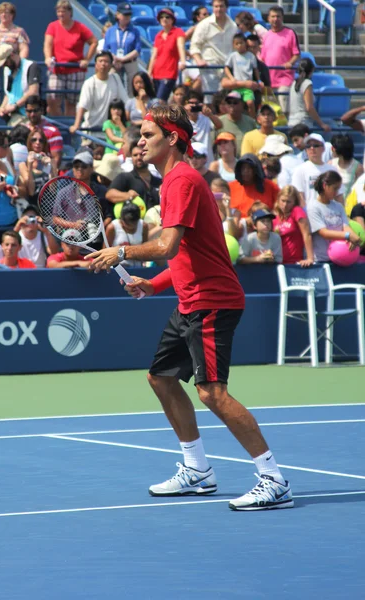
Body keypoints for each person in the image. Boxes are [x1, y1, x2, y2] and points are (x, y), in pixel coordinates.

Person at [85, 104, 293, 510]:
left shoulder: (181, 179)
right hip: (191, 300)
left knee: (212, 393)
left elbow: (167, 246)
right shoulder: (171, 181)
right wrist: (154, 283)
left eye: (147, 135)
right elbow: (187, 255)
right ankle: (197, 470)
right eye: (139, 135)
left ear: (173, 138)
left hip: (213, 302)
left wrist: (122, 251)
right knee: (161, 378)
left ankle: (273, 479)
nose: (139, 142)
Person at [44, 0, 97, 117]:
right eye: (58, 12)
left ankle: (69, 129)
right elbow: (48, 43)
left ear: (70, 12)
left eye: (63, 12)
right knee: (52, 99)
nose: (60, 14)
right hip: (57, 69)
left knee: (71, 103)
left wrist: (87, 59)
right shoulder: (52, 26)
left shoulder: (80, 27)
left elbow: (93, 42)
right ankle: (57, 126)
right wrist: (48, 58)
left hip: (75, 69)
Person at [0, 2, 30, 116]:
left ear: (12, 15)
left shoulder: (19, 31)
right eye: (1, 13)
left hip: (12, 72)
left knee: (11, 99)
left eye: (7, 13)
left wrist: (19, 64)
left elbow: (24, 48)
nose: (4, 15)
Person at [69, 51, 129, 136]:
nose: (103, 64)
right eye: (100, 61)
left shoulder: (116, 78)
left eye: (106, 61)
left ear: (111, 65)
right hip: (93, 132)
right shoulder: (89, 83)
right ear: (96, 64)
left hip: (111, 132)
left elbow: (126, 101)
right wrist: (76, 125)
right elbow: (82, 106)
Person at [190, 0, 238, 103]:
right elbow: (194, 45)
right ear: (212, 8)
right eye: (216, 6)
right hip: (209, 65)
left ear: (226, 7)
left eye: (221, 6)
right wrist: (199, 60)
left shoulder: (233, 26)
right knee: (210, 99)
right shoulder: (204, 24)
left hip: (227, 67)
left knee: (225, 100)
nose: (219, 9)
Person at [307, 171, 361, 263]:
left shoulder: (338, 206)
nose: (337, 193)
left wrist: (353, 238)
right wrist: (348, 236)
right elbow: (324, 233)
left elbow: (345, 226)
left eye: (338, 189)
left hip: (340, 258)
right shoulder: (313, 207)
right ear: (325, 186)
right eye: (334, 189)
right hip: (321, 260)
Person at [260, 5, 300, 115]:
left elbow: (296, 54)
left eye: (278, 16)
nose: (275, 19)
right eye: (273, 16)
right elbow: (262, 58)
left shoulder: (290, 33)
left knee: (283, 107)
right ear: (268, 18)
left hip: (284, 78)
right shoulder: (266, 35)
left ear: (282, 18)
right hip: (269, 79)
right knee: (269, 110)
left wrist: (290, 63)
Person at [291, 133, 344, 208]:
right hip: (309, 214)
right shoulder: (300, 170)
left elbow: (339, 196)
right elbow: (299, 197)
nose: (312, 148)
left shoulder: (332, 169)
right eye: (308, 146)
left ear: (323, 148)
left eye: (316, 145)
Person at [0, 44, 41, 125]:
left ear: (11, 55)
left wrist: (15, 106)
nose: (4, 65)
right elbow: (8, 94)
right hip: (11, 116)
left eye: (5, 62)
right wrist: (2, 107)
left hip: (28, 116)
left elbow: (33, 92)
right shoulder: (7, 70)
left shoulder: (31, 66)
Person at [106, 142, 161, 210]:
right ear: (131, 158)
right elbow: (110, 194)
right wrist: (127, 195)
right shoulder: (125, 177)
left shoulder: (159, 181)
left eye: (141, 154)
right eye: (135, 155)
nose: (138, 157)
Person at [148, 8, 186, 102]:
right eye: (162, 17)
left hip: (169, 73)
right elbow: (154, 56)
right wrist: (149, 73)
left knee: (159, 101)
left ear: (172, 19)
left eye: (167, 17)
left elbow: (180, 46)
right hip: (156, 73)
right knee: (157, 102)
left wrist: (183, 60)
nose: (164, 19)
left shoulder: (178, 32)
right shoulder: (158, 35)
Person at [103, 2, 141, 96]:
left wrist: (123, 59)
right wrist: (114, 58)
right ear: (118, 15)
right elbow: (106, 48)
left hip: (130, 62)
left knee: (132, 89)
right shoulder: (110, 31)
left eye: (129, 14)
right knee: (114, 88)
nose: (127, 17)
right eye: (125, 14)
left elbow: (137, 49)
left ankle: (131, 109)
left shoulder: (134, 31)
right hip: (114, 63)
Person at [223, 33, 262, 118]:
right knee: (233, 104)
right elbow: (226, 68)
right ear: (234, 45)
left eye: (241, 43)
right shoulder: (233, 56)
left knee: (250, 103)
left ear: (245, 43)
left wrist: (259, 80)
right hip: (236, 87)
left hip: (248, 87)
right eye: (237, 44)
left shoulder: (251, 56)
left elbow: (255, 69)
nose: (239, 45)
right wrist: (232, 78)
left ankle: (253, 120)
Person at [273, 185, 314, 266]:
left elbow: (306, 234)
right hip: (278, 263)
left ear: (294, 202)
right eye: (283, 201)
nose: (285, 205)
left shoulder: (297, 211)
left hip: (294, 262)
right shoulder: (275, 218)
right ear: (278, 199)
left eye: (288, 202)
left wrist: (310, 258)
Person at [228, 153, 279, 217]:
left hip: (265, 224)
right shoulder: (230, 187)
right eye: (243, 168)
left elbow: (280, 209)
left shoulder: (271, 186)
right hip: (237, 225)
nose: (246, 171)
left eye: (250, 168)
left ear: (256, 170)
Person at [288, 58, 331, 131]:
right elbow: (309, 108)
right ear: (311, 71)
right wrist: (322, 124)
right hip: (303, 123)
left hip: (292, 122)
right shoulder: (307, 83)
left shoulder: (293, 83)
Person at [18, 129, 57, 206]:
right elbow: (31, 192)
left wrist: (50, 167)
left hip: (49, 206)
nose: (37, 142)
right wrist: (29, 166)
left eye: (41, 140)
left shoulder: (51, 162)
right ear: (30, 142)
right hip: (33, 205)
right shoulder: (23, 165)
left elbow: (53, 189)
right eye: (34, 140)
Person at [24, 96, 64, 169]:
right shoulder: (22, 129)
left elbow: (56, 159)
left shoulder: (53, 131)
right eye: (29, 111)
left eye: (35, 111)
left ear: (42, 110)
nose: (32, 114)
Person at [105, 201, 148, 267]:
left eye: (134, 224)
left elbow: (145, 248)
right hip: (118, 268)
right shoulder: (112, 227)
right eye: (128, 225)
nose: (131, 227)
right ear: (121, 220)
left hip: (138, 268)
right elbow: (105, 251)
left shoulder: (144, 226)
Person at [184, 91, 222, 163]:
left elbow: (219, 125)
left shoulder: (206, 118)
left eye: (196, 103)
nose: (194, 106)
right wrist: (183, 110)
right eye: (191, 103)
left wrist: (210, 114)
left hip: (207, 161)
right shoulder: (182, 120)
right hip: (190, 161)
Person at [216, 91, 256, 157]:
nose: (232, 105)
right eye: (229, 102)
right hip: (225, 163)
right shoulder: (219, 122)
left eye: (235, 102)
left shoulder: (250, 122)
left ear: (242, 104)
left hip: (245, 163)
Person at [329, 133, 363, 198]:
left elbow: (360, 190)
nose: (332, 149)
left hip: (349, 205)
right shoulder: (330, 164)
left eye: (334, 147)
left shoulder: (357, 167)